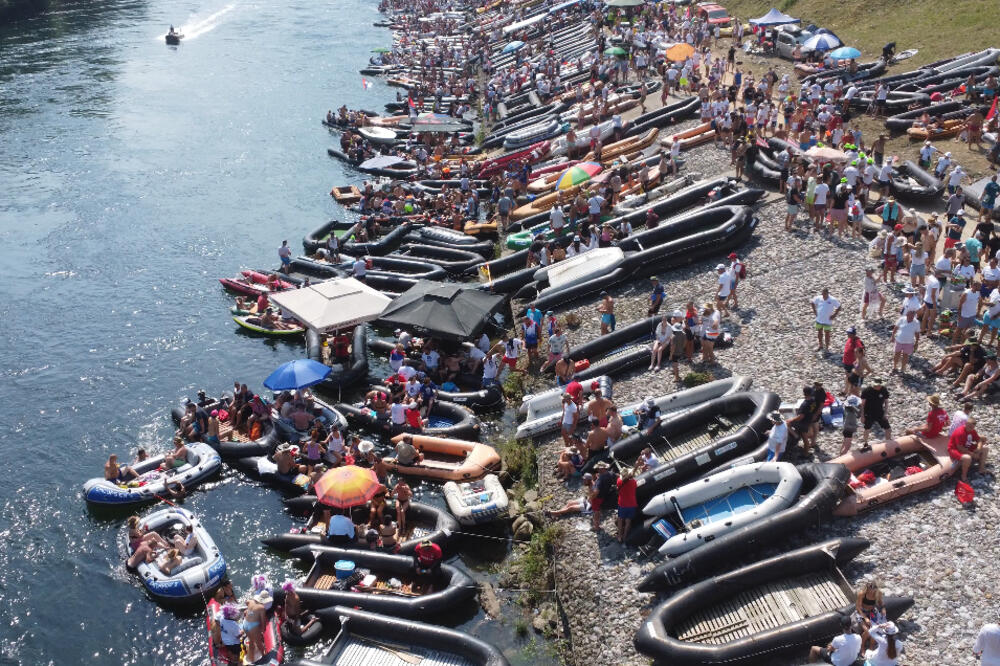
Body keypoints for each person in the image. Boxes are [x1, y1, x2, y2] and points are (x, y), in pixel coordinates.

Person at [948, 416, 988, 483]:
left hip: (966, 446)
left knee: (985, 448)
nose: (970, 429)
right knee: (967, 458)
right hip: (954, 449)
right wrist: (973, 454)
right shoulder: (960, 432)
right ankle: (963, 476)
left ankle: (981, 469)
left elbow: (979, 440)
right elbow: (960, 448)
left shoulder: (972, 431)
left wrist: (978, 448)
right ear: (965, 424)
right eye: (969, 427)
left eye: (972, 427)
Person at [860, 377, 891, 447]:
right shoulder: (867, 391)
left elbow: (886, 402)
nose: (879, 387)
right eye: (877, 386)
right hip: (868, 412)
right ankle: (865, 443)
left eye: (880, 385)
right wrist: (862, 416)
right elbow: (862, 404)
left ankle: (888, 443)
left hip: (880, 412)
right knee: (867, 428)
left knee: (888, 428)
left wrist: (886, 413)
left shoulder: (883, 390)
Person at [812, 288, 841, 352]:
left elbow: (839, 307)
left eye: (825, 294)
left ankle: (827, 347)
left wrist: (834, 315)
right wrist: (814, 311)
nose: (823, 295)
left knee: (827, 334)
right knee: (819, 332)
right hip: (819, 319)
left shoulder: (832, 300)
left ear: (828, 293)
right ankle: (820, 345)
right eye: (822, 294)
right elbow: (812, 302)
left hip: (827, 320)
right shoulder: (819, 298)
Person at [615, 468, 638, 544]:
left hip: (622, 504)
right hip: (632, 504)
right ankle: (625, 536)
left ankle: (619, 536)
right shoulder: (634, 482)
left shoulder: (619, 481)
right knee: (628, 521)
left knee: (620, 519)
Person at [590, 461, 614, 532]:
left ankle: (596, 527)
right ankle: (596, 525)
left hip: (598, 498)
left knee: (596, 512)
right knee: (598, 510)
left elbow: (596, 491)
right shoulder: (611, 474)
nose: (597, 470)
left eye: (598, 469)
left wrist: (591, 497)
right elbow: (618, 476)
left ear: (602, 469)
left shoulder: (601, 479)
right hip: (605, 495)